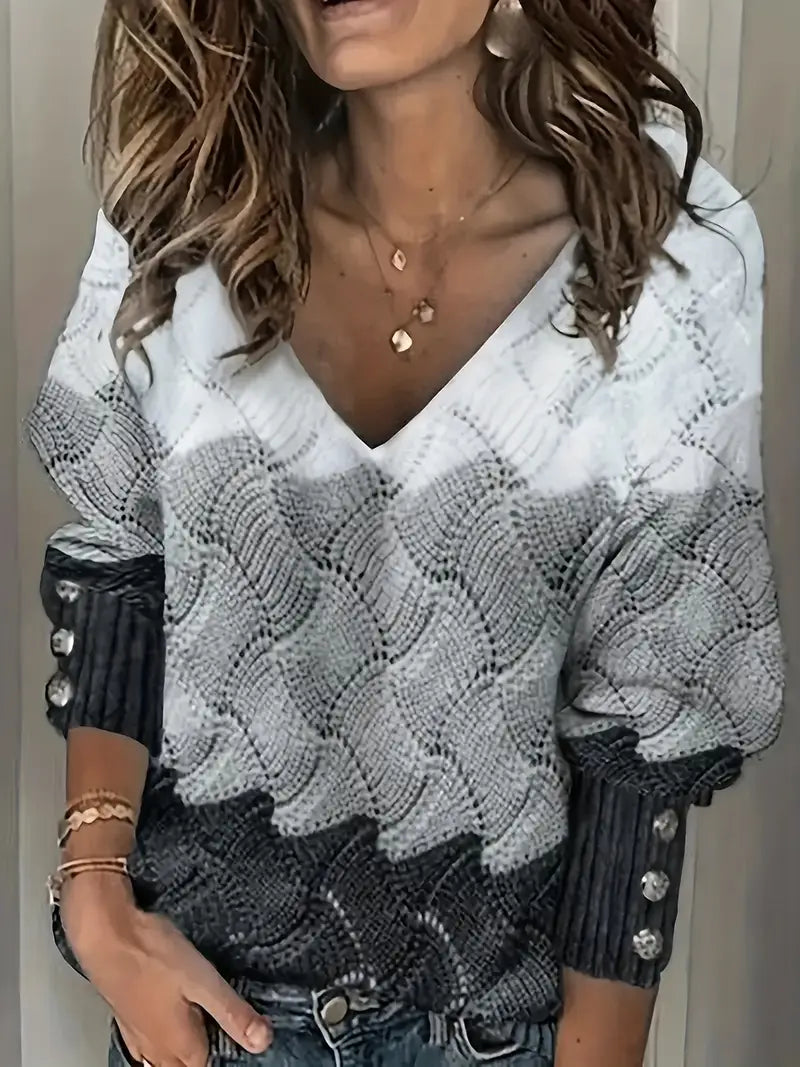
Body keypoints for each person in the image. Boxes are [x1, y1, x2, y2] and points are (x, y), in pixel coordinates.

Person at [28, 1, 784, 1065]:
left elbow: (646, 723)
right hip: (202, 1022)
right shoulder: (191, 209)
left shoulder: (658, 259)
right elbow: (119, 551)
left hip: (490, 1037)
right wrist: (95, 894)